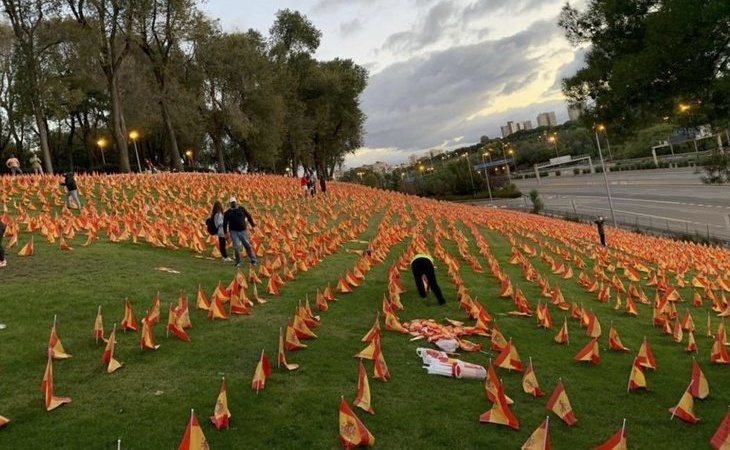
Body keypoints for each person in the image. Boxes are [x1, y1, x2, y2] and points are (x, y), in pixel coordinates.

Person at [223, 196, 257, 267]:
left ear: (236, 202)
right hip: (233, 232)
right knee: (236, 247)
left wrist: (253, 225)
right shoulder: (227, 213)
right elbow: (225, 223)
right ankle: (238, 262)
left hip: (243, 231)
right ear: (230, 204)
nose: (233, 204)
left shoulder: (242, 209)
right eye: (232, 203)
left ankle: (253, 260)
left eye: (234, 202)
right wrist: (226, 233)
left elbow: (249, 216)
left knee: (247, 245)